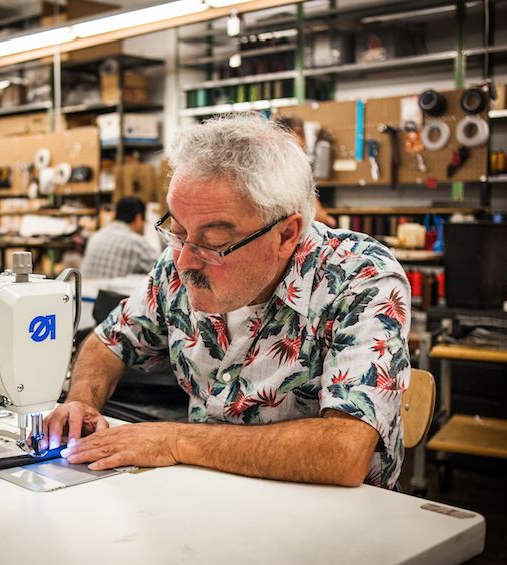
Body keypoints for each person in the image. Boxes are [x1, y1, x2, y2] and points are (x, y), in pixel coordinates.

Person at [44, 114, 411, 489]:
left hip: (333, 509)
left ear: (286, 235)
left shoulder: (359, 277)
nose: (186, 261)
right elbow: (111, 341)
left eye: (214, 243)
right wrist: (82, 402)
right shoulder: (178, 263)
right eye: (177, 232)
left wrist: (176, 440)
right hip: (212, 492)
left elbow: (344, 451)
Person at [274, 114, 337, 228]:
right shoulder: (291, 168)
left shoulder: (271, 166)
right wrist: (327, 219)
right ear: (294, 132)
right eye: (302, 135)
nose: (305, 144)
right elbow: (316, 214)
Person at [80, 197, 160, 279]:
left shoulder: (96, 236)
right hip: (110, 287)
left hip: (85, 287)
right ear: (138, 218)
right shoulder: (136, 242)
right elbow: (163, 269)